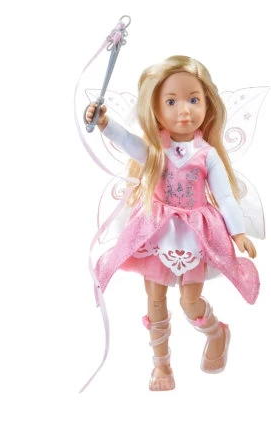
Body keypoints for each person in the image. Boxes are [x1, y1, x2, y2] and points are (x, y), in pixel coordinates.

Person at [85, 55, 260, 391]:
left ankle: (216, 332)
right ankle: (161, 366)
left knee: (190, 301)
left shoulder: (206, 154)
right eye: (171, 102)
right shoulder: (156, 149)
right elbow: (129, 142)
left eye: (193, 100)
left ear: (207, 103)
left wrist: (237, 232)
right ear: (155, 108)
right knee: (154, 300)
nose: (184, 111)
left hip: (195, 232)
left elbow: (224, 196)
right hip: (158, 230)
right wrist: (105, 124)